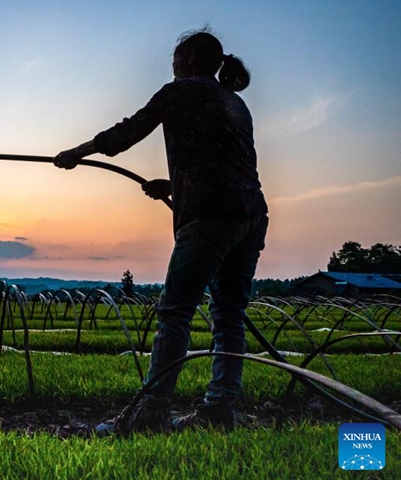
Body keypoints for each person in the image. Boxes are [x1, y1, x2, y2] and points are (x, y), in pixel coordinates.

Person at [54, 28, 269, 433]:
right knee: (229, 315)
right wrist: (172, 187)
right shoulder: (235, 103)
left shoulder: (180, 91)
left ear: (188, 60)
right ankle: (220, 410)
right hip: (251, 214)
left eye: (173, 62)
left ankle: (150, 413)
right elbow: (227, 164)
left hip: (211, 217)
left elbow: (125, 133)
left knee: (175, 312)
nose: (171, 69)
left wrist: (75, 154)